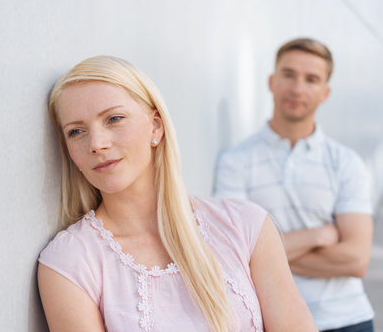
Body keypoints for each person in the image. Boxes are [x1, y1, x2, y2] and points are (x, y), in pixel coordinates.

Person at [38, 55, 315, 332]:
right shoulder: (69, 261)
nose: (96, 144)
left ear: (155, 127)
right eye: (76, 131)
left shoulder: (245, 225)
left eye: (114, 119)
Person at [213, 38, 374, 332]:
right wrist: (319, 235)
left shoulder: (347, 163)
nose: (298, 88)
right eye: (289, 74)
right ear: (272, 81)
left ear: (325, 92)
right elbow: (231, 252)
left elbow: (356, 259)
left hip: (347, 319)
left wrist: (262, 254)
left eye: (311, 79)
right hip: (274, 319)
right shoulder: (235, 161)